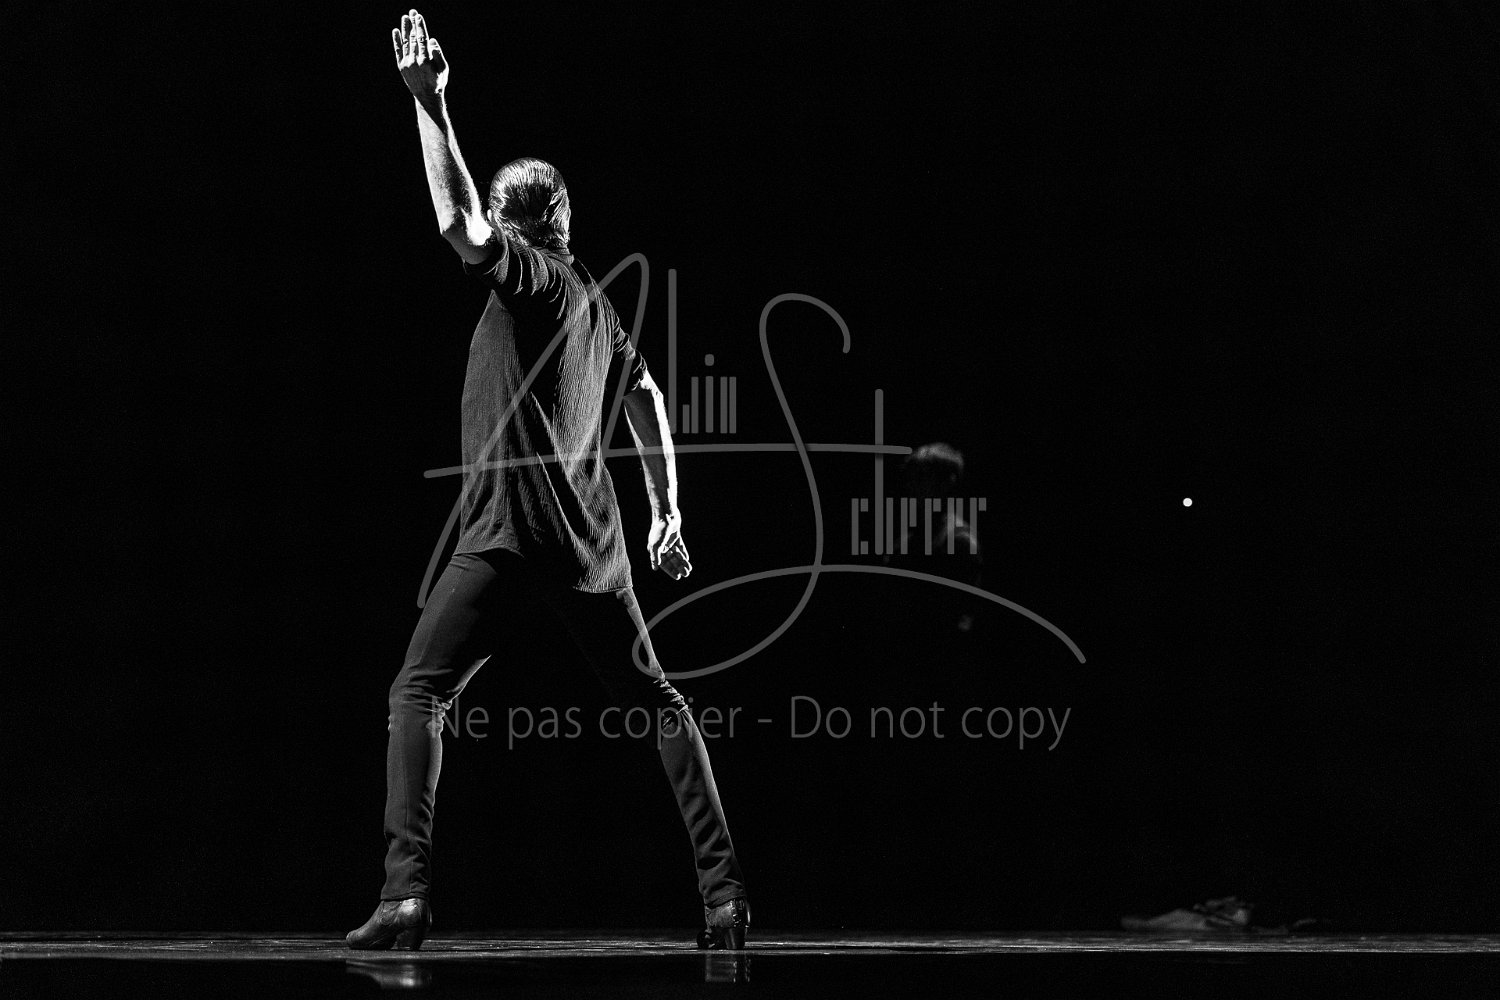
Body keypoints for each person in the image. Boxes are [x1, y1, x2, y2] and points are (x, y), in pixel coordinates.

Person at [345, 10, 749, 951]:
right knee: (659, 703)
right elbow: (648, 397)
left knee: (417, 694)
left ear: (521, 228)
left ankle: (406, 895)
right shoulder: (599, 306)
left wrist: (430, 103)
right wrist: (667, 512)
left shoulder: (532, 279)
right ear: (569, 224)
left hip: (507, 536)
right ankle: (725, 898)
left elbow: (456, 226)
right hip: (590, 552)